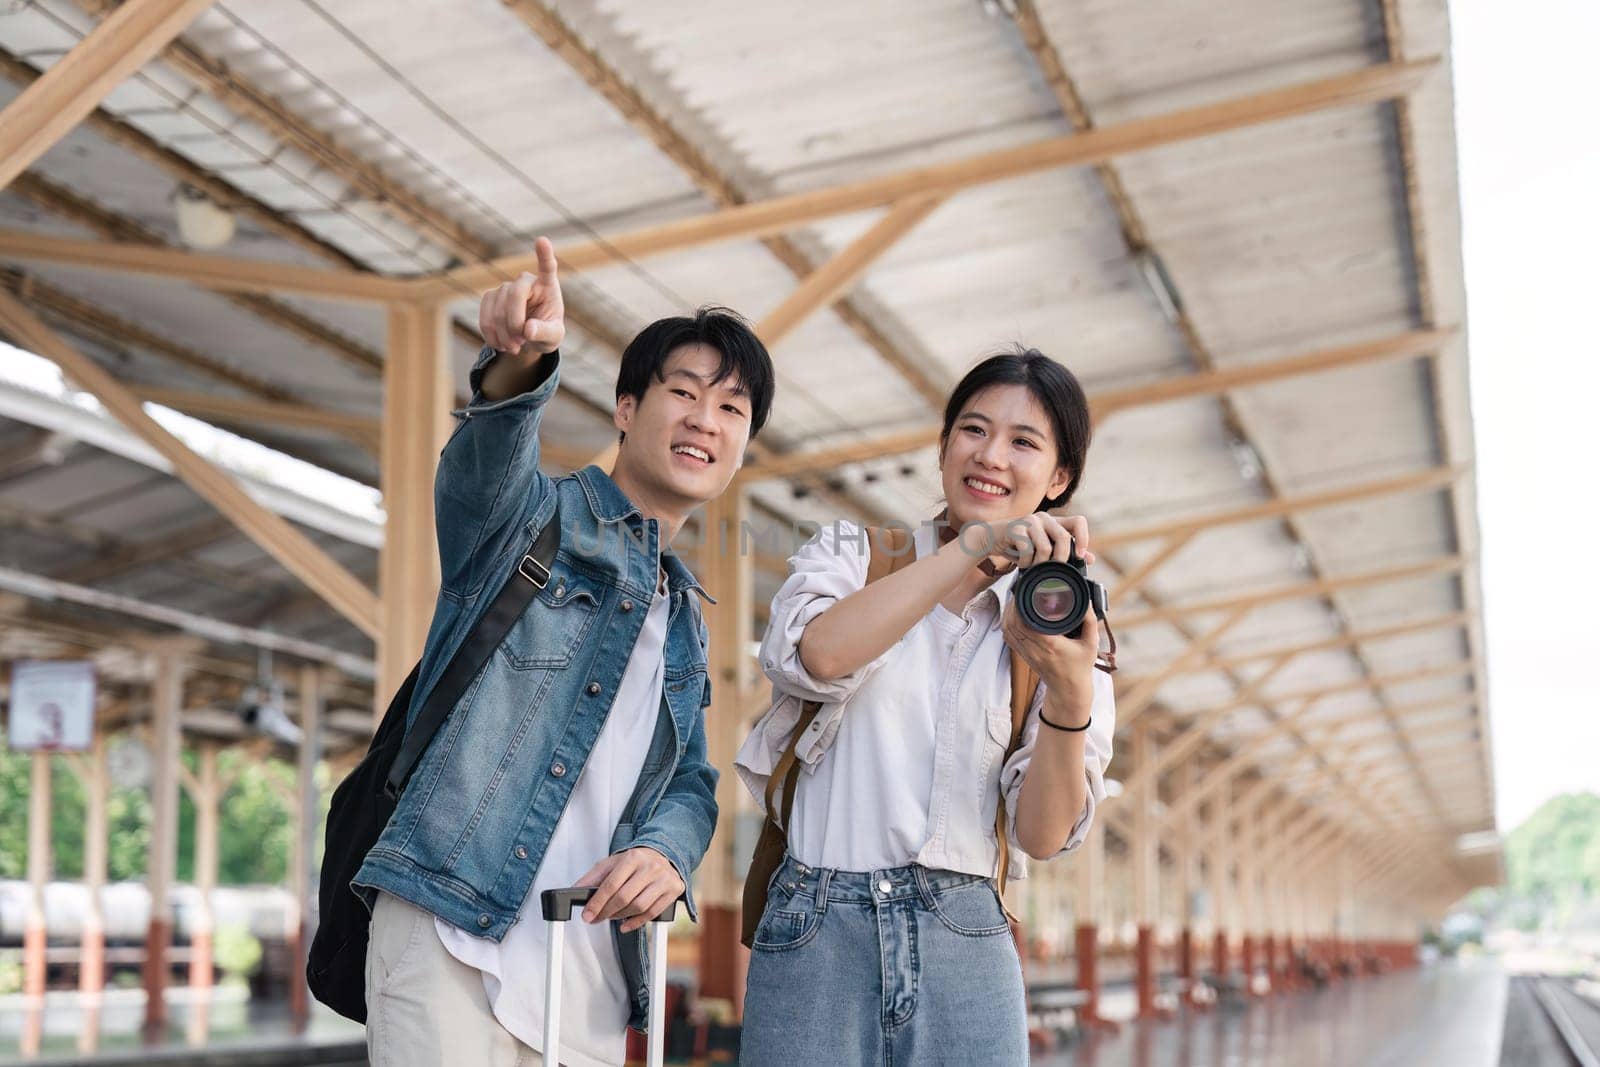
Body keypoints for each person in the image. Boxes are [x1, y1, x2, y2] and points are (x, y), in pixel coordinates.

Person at [354, 237, 775, 1067]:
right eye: (682, 392)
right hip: (451, 929)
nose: (704, 419)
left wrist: (667, 851)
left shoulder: (685, 614)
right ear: (625, 408)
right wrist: (519, 364)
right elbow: (482, 464)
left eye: (731, 409)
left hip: (584, 978)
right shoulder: (528, 524)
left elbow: (690, 780)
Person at [735, 345, 1116, 1065]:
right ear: (944, 444)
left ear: (1059, 477)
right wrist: (972, 547)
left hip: (964, 934)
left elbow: (1039, 833)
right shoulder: (853, 553)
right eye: (972, 429)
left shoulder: (1064, 617)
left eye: (1024, 442)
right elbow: (819, 653)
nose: (991, 455)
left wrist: (1069, 692)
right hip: (817, 928)